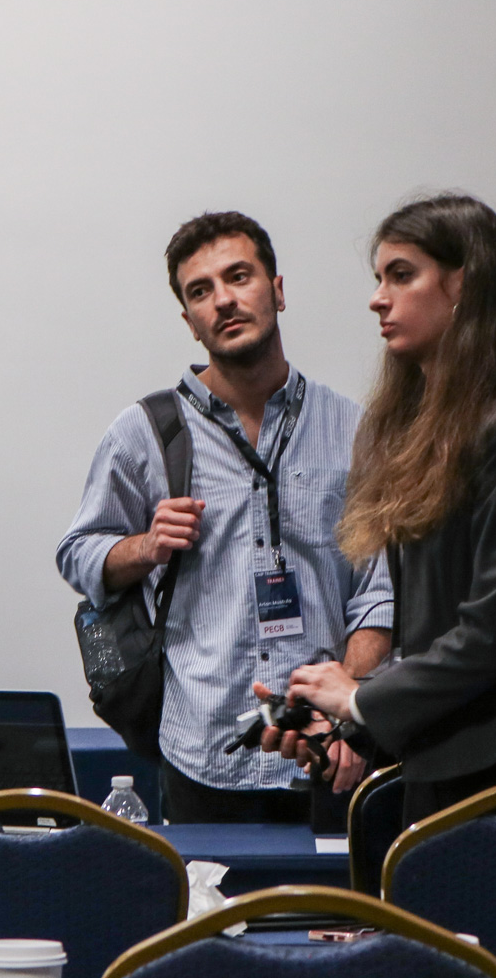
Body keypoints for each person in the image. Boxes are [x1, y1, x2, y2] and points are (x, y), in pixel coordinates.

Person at [283, 193, 496, 824]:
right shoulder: (432, 433)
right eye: (379, 278)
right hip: (453, 762)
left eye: (402, 275)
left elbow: (489, 638)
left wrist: (359, 699)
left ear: (464, 286)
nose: (378, 299)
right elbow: (432, 640)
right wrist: (340, 720)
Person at [58, 211, 394, 823]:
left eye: (239, 277)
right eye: (200, 291)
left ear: (278, 290)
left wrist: (345, 709)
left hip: (325, 752)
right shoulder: (146, 432)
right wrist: (145, 547)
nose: (223, 300)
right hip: (201, 754)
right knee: (208, 892)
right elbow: (78, 554)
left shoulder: (352, 429)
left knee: (337, 892)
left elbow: (379, 592)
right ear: (190, 322)